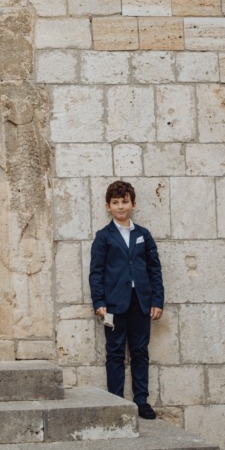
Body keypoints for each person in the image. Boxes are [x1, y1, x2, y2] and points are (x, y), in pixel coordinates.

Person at [89, 180, 165, 420]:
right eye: (115, 203)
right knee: (114, 351)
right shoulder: (104, 237)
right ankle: (117, 400)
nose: (120, 207)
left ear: (133, 204)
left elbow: (155, 270)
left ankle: (141, 400)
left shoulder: (143, 235)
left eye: (124, 202)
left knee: (140, 350)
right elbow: (96, 272)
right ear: (108, 206)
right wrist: (99, 301)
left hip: (140, 303)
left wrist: (157, 300)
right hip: (112, 305)